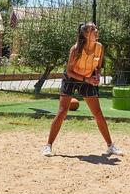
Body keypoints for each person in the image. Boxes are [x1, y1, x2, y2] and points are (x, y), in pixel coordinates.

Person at [41, 22, 123, 157]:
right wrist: (87, 80)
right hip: (71, 78)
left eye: (96, 28)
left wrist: (97, 76)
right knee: (62, 112)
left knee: (97, 113)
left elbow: (98, 66)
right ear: (85, 34)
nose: (96, 31)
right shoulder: (75, 49)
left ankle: (110, 146)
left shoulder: (100, 47)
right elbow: (69, 71)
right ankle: (48, 146)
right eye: (92, 29)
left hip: (88, 78)